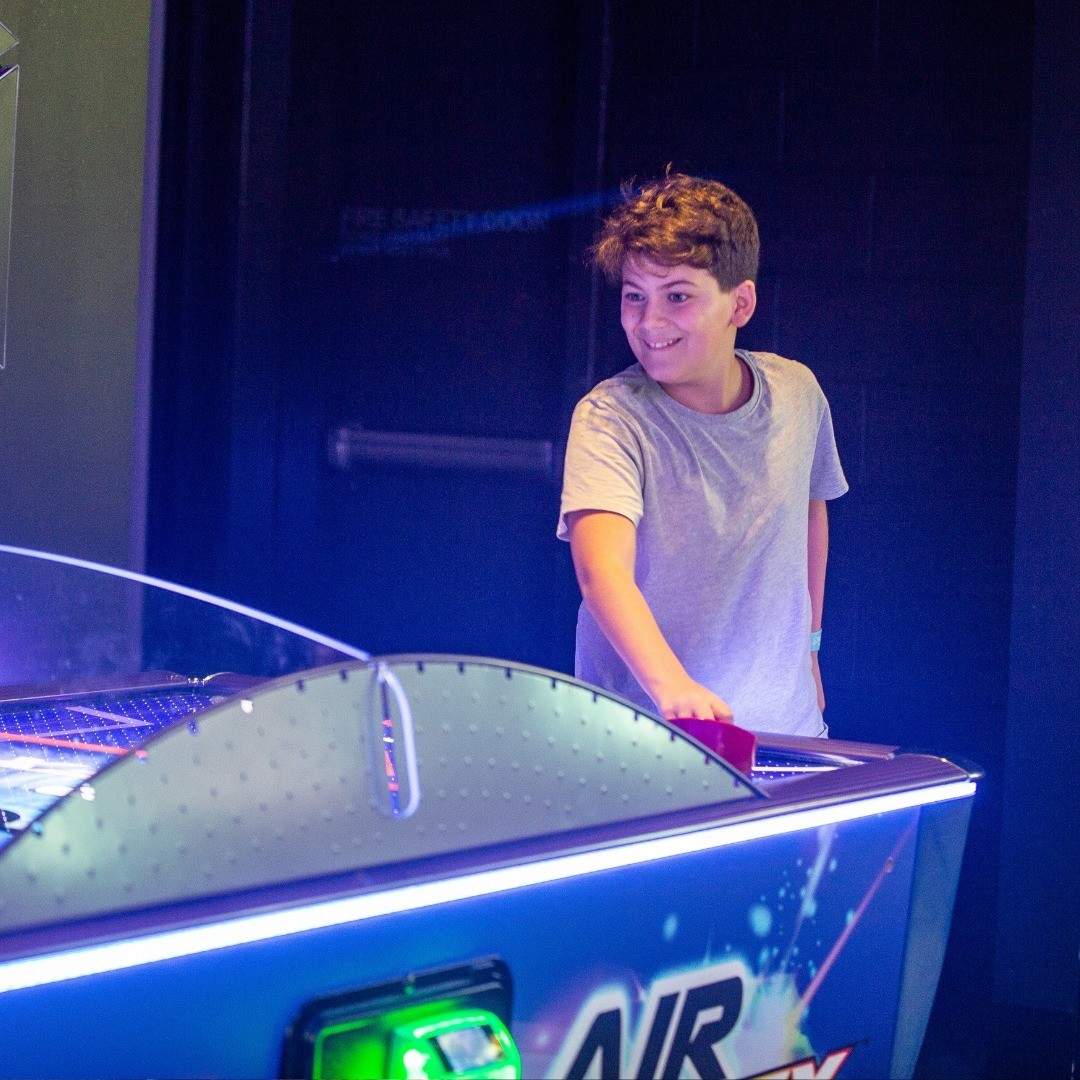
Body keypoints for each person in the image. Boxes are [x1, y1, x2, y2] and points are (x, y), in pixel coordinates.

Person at [557, 173, 848, 737]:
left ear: (740, 304)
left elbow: (812, 511)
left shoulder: (798, 391)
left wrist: (810, 647)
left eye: (678, 297)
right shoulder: (609, 416)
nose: (649, 322)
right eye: (634, 296)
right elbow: (602, 573)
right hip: (640, 737)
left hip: (785, 734)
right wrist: (675, 689)